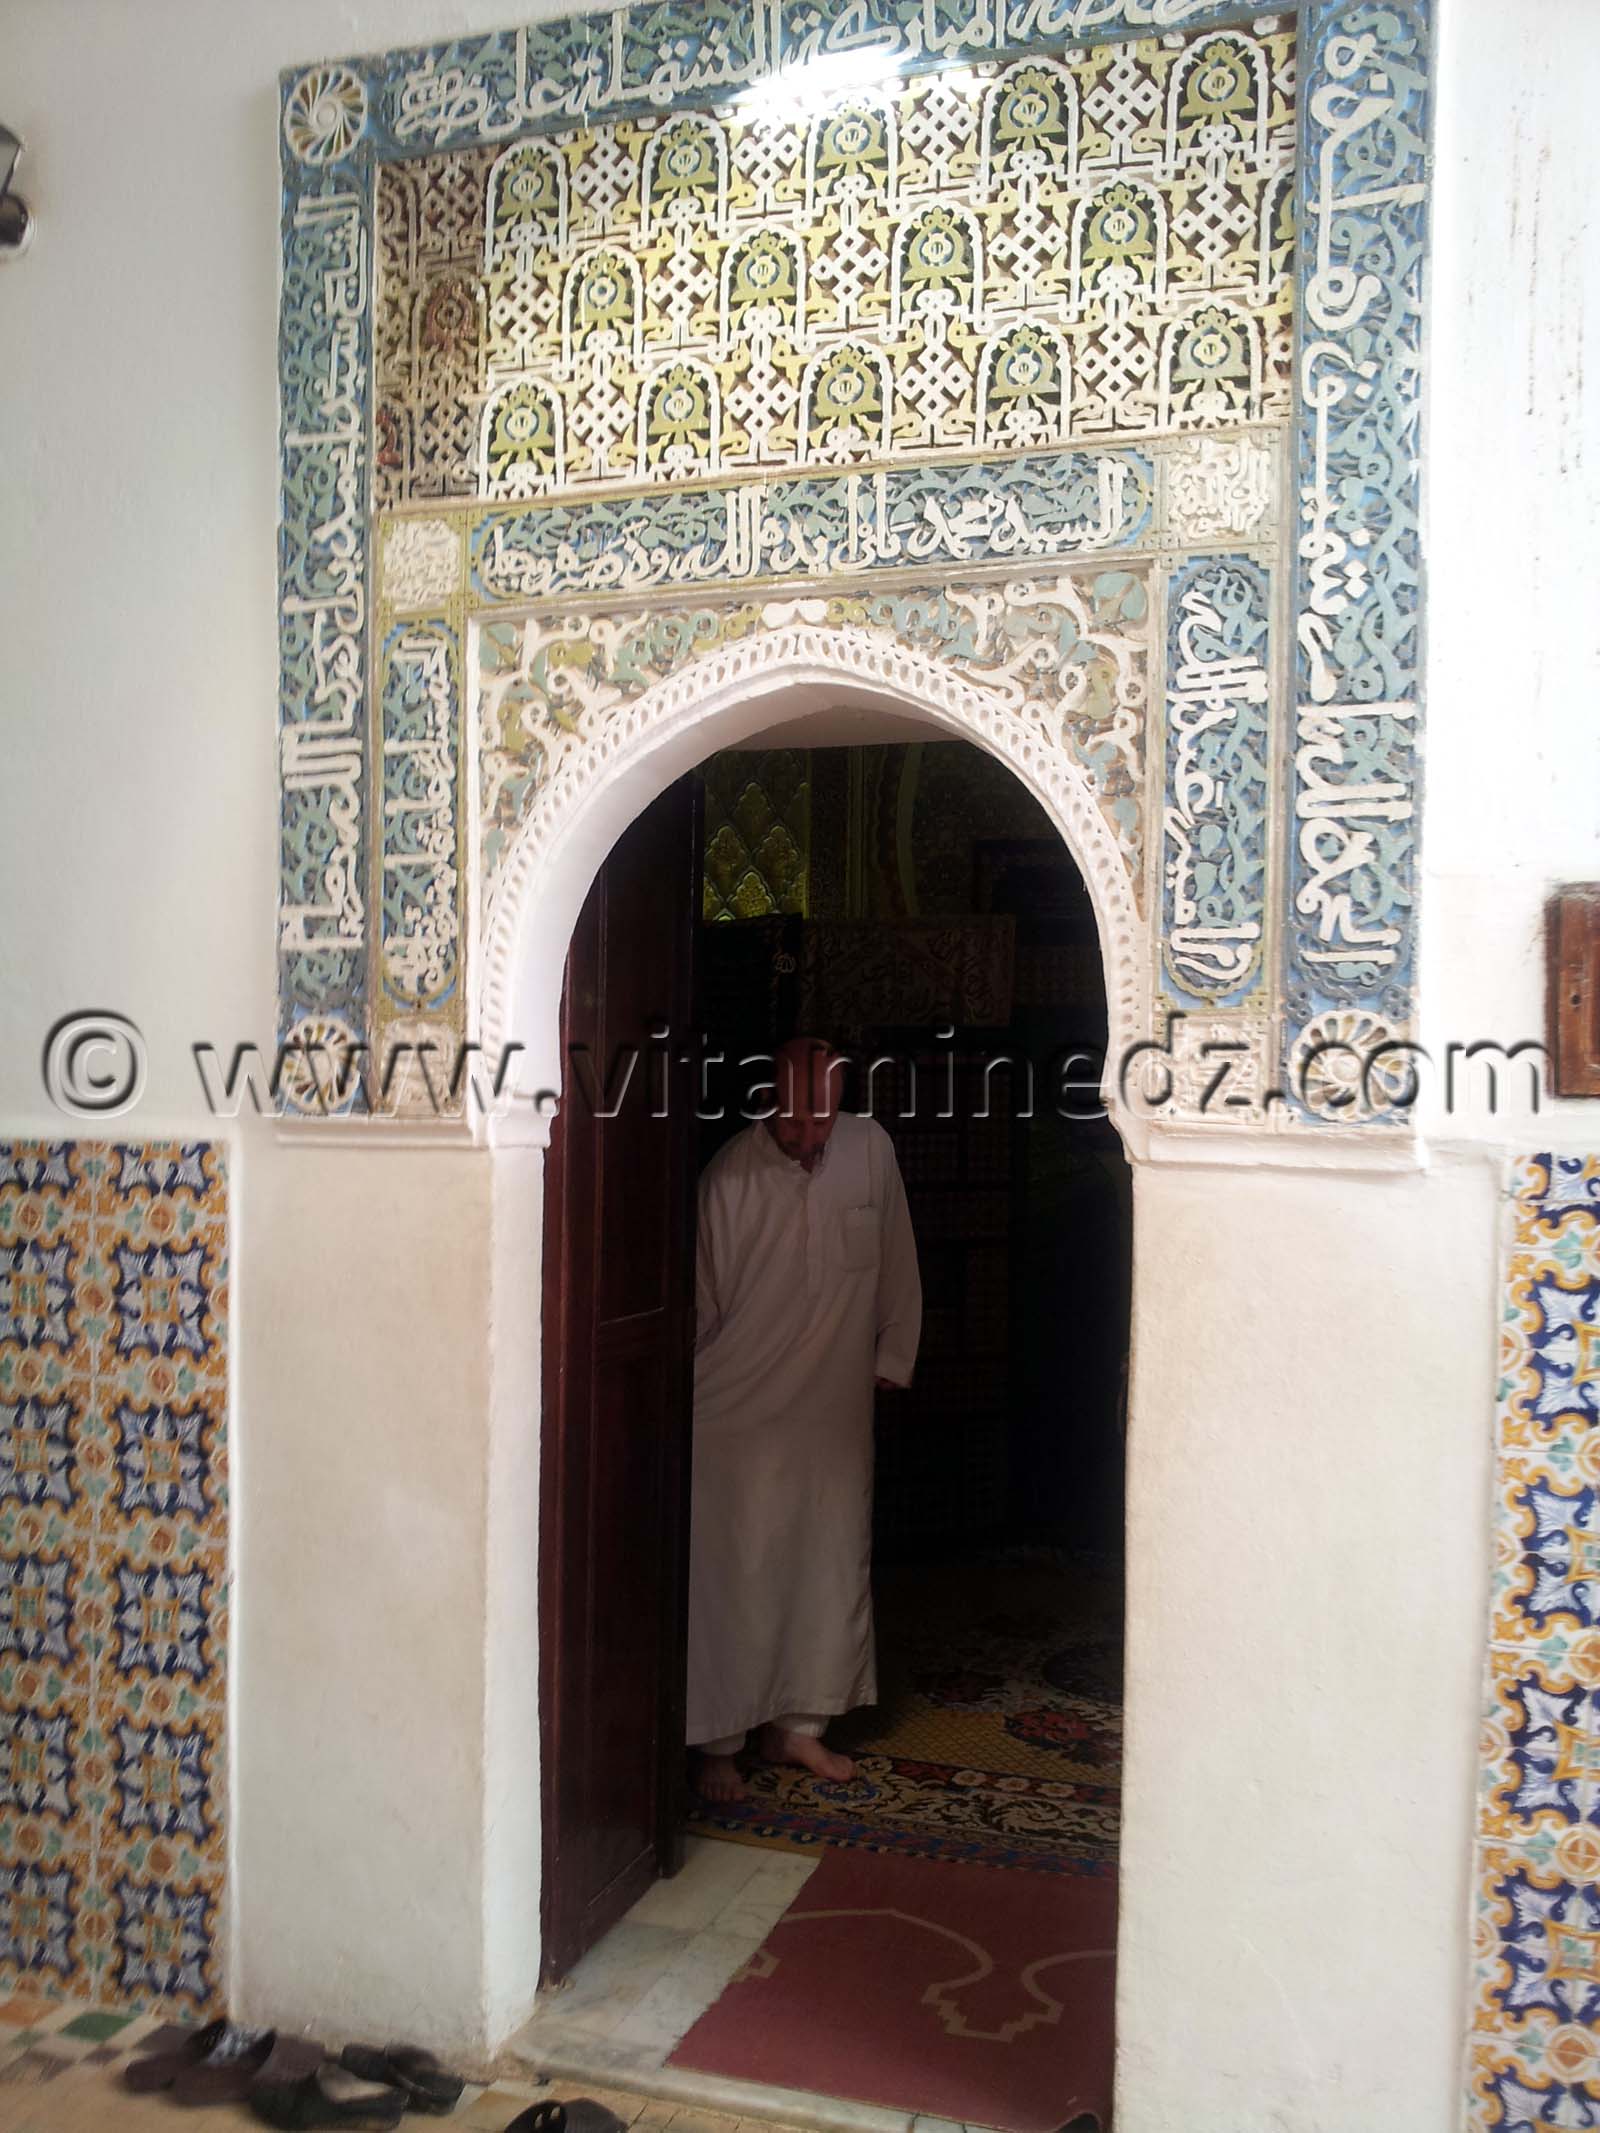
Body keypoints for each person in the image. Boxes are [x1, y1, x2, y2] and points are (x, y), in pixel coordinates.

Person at [686, 1036, 922, 1803]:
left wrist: (893, 1354)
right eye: (795, 1123)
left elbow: (896, 1260)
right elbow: (703, 1308)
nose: (811, 1137)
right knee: (737, 1569)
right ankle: (718, 1741)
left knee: (824, 1559)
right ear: (765, 1104)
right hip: (735, 1417)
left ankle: (799, 1730)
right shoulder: (728, 1178)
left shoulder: (870, 1151)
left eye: (822, 1118)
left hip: (831, 1410)